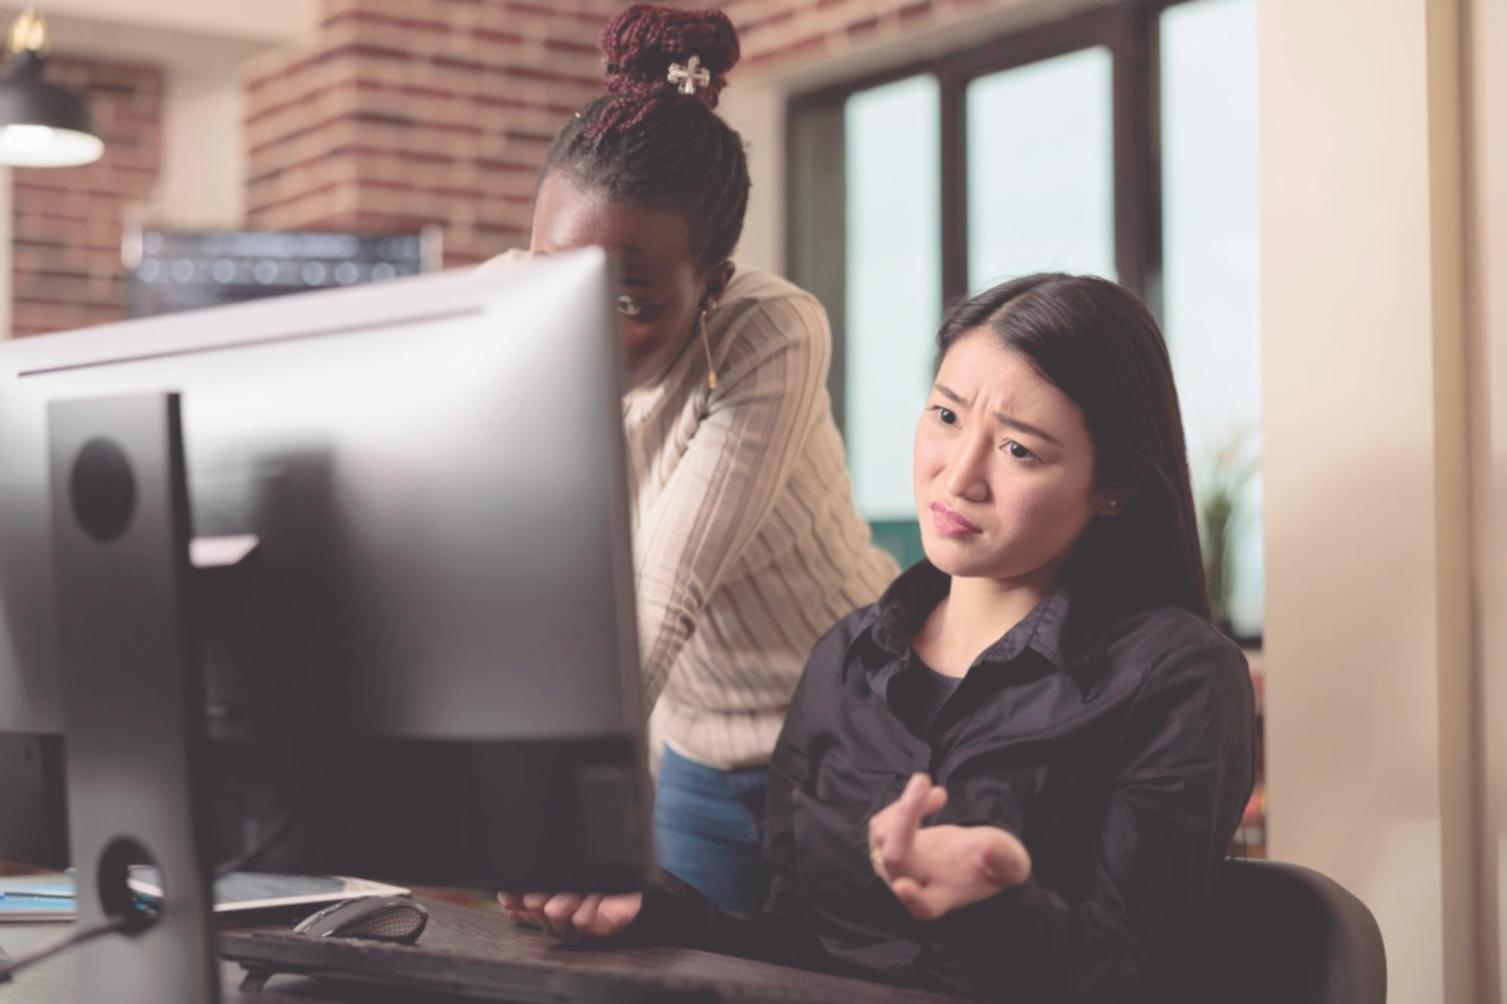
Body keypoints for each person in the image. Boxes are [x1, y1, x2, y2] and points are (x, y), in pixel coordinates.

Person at [501, 274, 1257, 1003]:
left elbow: (1134, 977)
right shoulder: (846, 658)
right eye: (947, 416)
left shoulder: (1176, 676)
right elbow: (799, 946)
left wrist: (997, 910)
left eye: (1019, 450)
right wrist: (648, 906)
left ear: (1113, 484)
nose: (958, 476)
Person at [492, 3, 898, 913]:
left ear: (709, 288)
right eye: (559, 281)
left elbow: (657, 595)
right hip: (697, 755)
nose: (585, 328)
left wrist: (556, 799)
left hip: (851, 735)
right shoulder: (506, 312)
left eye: (632, 302)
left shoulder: (770, 331)